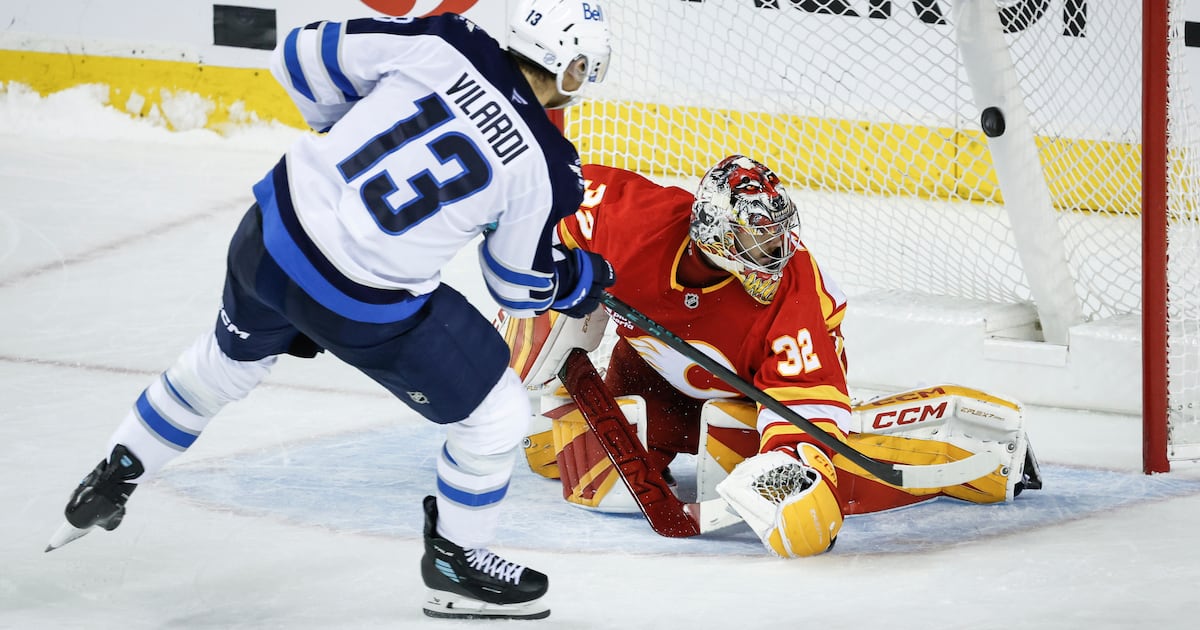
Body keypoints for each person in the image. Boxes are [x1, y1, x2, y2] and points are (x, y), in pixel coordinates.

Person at [48, 0, 616, 620]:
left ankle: (117, 470)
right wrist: (582, 276)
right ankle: (458, 562)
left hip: (269, 236)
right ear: (574, 69)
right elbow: (518, 285)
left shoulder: (450, 41)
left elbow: (298, 55)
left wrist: (346, 135)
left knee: (224, 364)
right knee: (497, 415)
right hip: (359, 302)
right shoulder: (546, 164)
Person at [498, 155, 1041, 558]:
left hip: (753, 387)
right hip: (653, 366)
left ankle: (954, 454)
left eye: (777, 238)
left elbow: (802, 407)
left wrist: (796, 464)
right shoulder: (631, 223)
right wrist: (532, 261)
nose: (775, 256)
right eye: (758, 242)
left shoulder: (790, 291)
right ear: (713, 232)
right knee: (563, 461)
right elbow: (544, 191)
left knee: (779, 488)